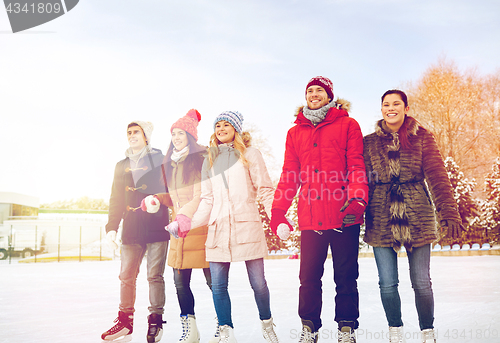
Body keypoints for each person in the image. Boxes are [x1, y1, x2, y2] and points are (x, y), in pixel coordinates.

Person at [270, 76, 368, 343]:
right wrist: (278, 210)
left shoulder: (348, 125)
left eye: (319, 91)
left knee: (346, 276)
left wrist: (358, 199)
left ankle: (346, 329)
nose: (314, 94)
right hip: (310, 217)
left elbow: (356, 166)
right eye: (309, 91)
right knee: (309, 277)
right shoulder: (294, 132)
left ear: (329, 96)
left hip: (343, 214)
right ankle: (309, 328)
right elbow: (289, 174)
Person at [362, 90, 463, 343]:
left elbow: (438, 175)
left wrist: (448, 211)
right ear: (381, 109)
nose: (391, 108)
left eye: (396, 104)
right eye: (386, 104)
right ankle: (395, 331)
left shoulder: (422, 138)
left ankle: (427, 332)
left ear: (406, 108)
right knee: (387, 282)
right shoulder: (369, 142)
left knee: (421, 282)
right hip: (381, 215)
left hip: (417, 212)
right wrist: (352, 208)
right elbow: (360, 181)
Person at [189, 111, 280, 343]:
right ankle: (226, 330)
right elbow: (207, 199)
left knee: (258, 284)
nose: (221, 128)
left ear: (236, 128)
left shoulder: (250, 154)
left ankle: (267, 323)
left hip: (246, 226)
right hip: (218, 229)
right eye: (217, 125)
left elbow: (265, 189)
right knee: (218, 286)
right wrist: (188, 223)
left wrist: (277, 218)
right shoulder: (209, 159)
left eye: (226, 124)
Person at [142, 109, 217, 343]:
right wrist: (156, 198)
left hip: (199, 227)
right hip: (179, 231)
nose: (175, 138)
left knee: (214, 283)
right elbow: (176, 198)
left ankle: (222, 325)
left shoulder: (202, 159)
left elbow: (199, 195)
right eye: (173, 133)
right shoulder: (172, 164)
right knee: (180, 284)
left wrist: (184, 215)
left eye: (180, 133)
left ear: (190, 136)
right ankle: (190, 330)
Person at [101, 121, 170, 343]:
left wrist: (159, 200)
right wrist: (112, 227)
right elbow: (116, 198)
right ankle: (125, 323)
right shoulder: (121, 165)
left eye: (136, 132)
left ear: (146, 136)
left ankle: (155, 321)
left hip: (156, 226)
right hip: (131, 228)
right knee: (126, 276)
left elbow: (171, 190)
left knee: (154, 276)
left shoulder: (160, 160)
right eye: (129, 132)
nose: (131, 135)